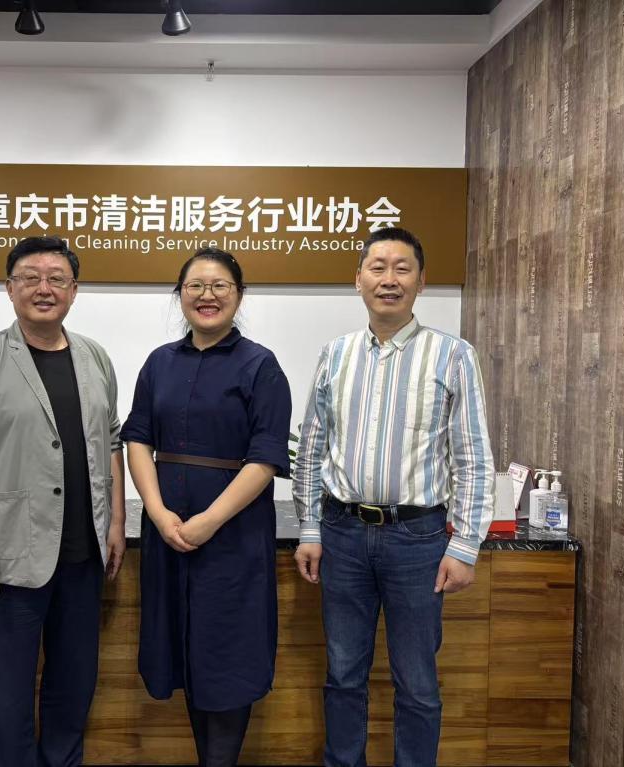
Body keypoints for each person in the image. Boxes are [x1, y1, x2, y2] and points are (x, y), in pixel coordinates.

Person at [292, 226, 495, 767]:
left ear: (421, 282)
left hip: (418, 539)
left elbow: (473, 456)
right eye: (377, 267)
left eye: (402, 268)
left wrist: (465, 545)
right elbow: (311, 449)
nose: (389, 279)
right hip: (342, 535)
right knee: (342, 674)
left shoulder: (453, 355)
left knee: (417, 682)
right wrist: (310, 528)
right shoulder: (335, 355)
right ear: (357, 279)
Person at [0, 235, 126, 767]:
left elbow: (111, 440)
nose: (43, 288)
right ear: (9, 288)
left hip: (82, 556)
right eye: (30, 277)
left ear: (74, 290)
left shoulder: (94, 356)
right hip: (10, 559)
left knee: (73, 687)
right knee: (6, 696)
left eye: (56, 278)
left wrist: (115, 521)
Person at [122, 247, 292, 767]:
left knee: (226, 656)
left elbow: (266, 457)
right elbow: (137, 439)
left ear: (239, 295)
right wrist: (157, 512)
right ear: (180, 295)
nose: (207, 296)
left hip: (233, 537)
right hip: (168, 531)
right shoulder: (159, 363)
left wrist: (209, 521)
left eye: (220, 286)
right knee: (186, 652)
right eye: (195, 286)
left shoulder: (260, 365)